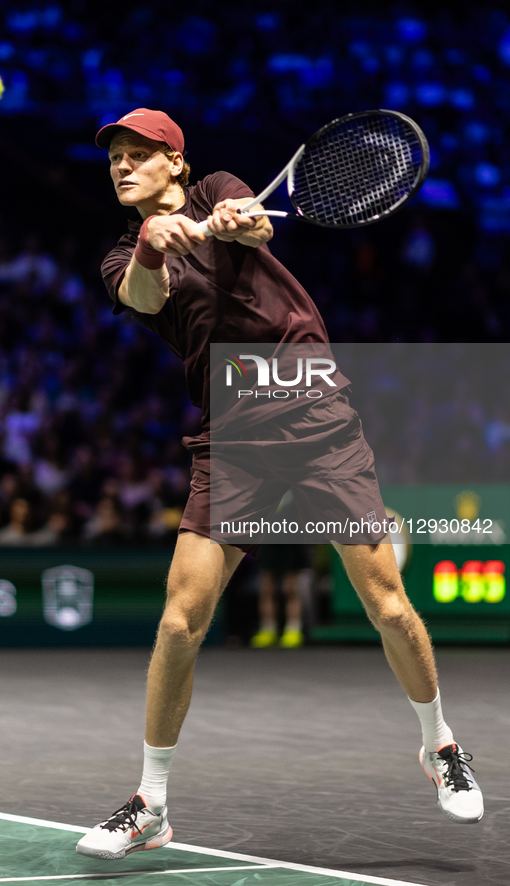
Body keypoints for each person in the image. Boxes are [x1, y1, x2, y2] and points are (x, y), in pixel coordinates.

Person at [76, 108, 483, 861]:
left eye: (138, 154)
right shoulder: (121, 255)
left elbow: (256, 227)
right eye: (115, 159)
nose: (122, 167)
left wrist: (237, 223)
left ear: (176, 162)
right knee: (178, 623)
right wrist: (153, 244)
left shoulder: (219, 190)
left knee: (386, 604)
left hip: (314, 414)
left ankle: (440, 745)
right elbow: (143, 297)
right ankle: (151, 804)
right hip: (232, 437)